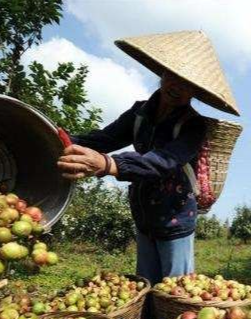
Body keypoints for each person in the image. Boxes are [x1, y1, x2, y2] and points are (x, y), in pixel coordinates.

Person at [57, 30, 239, 285]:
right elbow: (104, 139)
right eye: (173, 76)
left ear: (196, 91)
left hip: (176, 220)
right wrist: (57, 137)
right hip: (144, 216)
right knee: (146, 284)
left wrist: (109, 165)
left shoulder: (193, 126)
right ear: (162, 72)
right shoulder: (139, 113)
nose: (177, 86)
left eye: (188, 84)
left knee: (176, 291)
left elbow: (163, 162)